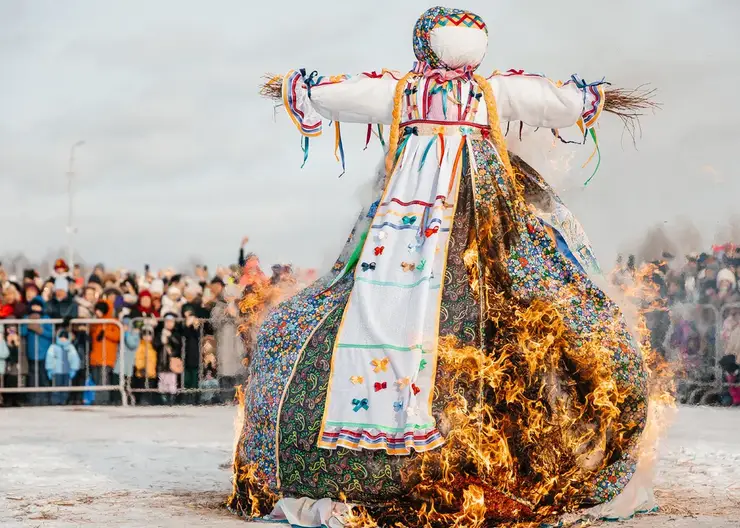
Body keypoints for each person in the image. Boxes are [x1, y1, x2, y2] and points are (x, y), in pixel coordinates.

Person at [231, 7, 652, 525]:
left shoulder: (404, 90)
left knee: (376, 302)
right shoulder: (490, 91)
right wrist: (588, 98)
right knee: (530, 295)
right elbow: (552, 98)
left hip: (406, 223)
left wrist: (303, 90)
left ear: (423, 45)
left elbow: (348, 93)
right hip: (483, 214)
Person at [20, 298, 54, 405]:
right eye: (33, 306)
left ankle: (45, 399)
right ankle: (32, 399)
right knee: (32, 377)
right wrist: (28, 324)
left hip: (44, 354)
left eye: (38, 306)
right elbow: (22, 332)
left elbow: (51, 334)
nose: (35, 309)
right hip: (31, 354)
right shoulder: (26, 318)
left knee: (43, 377)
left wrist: (40, 330)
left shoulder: (46, 318)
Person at [88, 300, 121, 405]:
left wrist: (105, 333)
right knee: (97, 380)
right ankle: (99, 398)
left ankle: (102, 399)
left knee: (104, 380)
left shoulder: (113, 322)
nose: (97, 312)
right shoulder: (95, 322)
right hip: (96, 357)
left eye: (100, 310)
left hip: (107, 357)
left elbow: (118, 336)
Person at [45, 330, 81, 405]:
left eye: (65, 338)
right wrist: (49, 369)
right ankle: (55, 401)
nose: (63, 339)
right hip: (56, 371)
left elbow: (75, 358)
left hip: (67, 371)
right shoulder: (53, 347)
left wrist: (74, 369)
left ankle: (64, 401)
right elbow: (49, 358)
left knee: (66, 387)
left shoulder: (70, 347)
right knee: (56, 387)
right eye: (61, 337)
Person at [155, 313, 182, 405]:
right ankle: (163, 398)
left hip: (172, 362)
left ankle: (172, 398)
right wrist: (162, 339)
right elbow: (155, 345)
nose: (169, 324)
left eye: (171, 322)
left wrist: (170, 337)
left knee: (172, 381)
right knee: (162, 381)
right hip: (161, 362)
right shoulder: (159, 333)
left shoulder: (176, 334)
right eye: (167, 322)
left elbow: (178, 346)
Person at [113, 317, 140, 405]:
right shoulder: (120, 334)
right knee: (116, 382)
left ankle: (129, 400)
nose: (124, 327)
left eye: (126, 325)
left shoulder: (134, 334)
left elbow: (132, 344)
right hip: (118, 365)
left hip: (128, 365)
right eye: (123, 325)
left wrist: (127, 333)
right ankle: (117, 400)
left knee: (127, 384)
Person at [181, 304, 202, 404]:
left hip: (193, 354)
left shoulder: (196, 322)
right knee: (185, 377)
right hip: (182, 354)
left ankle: (194, 397)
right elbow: (182, 334)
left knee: (194, 375)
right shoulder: (180, 321)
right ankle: (185, 396)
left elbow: (198, 335)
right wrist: (186, 325)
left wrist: (195, 326)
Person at [133, 325, 158, 405]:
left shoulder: (153, 346)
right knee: (141, 388)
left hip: (151, 373)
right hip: (142, 372)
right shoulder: (140, 345)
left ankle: (148, 401)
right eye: (144, 334)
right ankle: (140, 401)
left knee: (150, 389)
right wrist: (140, 367)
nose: (147, 337)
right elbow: (138, 357)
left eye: (149, 334)